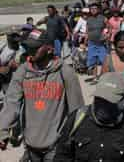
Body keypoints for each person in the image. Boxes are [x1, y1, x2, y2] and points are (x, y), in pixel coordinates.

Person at [0, 29, 84, 161]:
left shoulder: (64, 72)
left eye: (35, 48)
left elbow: (77, 110)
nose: (30, 51)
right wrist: (3, 130)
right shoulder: (23, 71)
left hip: (56, 146)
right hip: (30, 145)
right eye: (28, 47)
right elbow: (11, 102)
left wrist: (74, 142)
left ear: (49, 49)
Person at [53, 72, 124, 162]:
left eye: (109, 102)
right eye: (99, 99)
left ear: (123, 101)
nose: (102, 106)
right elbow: (62, 156)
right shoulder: (77, 118)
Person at [86, 3, 108, 84]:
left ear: (98, 9)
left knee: (102, 60)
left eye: (95, 8)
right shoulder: (89, 19)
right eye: (92, 9)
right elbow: (87, 30)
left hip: (101, 43)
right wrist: (86, 40)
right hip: (91, 43)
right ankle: (95, 77)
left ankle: (102, 77)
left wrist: (107, 35)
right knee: (93, 61)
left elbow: (109, 27)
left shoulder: (103, 18)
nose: (93, 10)